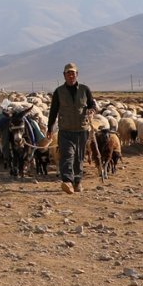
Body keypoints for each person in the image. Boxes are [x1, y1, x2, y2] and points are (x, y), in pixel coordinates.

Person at [45, 61, 96, 194]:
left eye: (73, 73)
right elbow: (53, 111)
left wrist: (91, 110)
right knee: (67, 155)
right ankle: (67, 181)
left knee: (79, 157)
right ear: (64, 75)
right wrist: (49, 128)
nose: (71, 76)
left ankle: (77, 181)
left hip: (81, 129)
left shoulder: (85, 90)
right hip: (65, 130)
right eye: (68, 73)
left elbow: (92, 104)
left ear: (77, 74)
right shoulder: (59, 92)